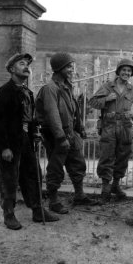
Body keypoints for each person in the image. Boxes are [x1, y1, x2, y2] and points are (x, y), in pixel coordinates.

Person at [0, 53, 59, 230]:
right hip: (8, 142)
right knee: (9, 179)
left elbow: (30, 119)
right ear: (12, 69)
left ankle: (37, 210)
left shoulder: (27, 92)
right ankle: (9, 215)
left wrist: (34, 133)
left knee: (33, 174)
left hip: (25, 140)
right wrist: (5, 147)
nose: (26, 66)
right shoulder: (5, 91)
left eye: (27, 64)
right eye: (21, 63)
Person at [35, 52, 98, 214]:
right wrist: (61, 137)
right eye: (68, 66)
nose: (72, 69)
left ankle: (79, 195)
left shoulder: (66, 86)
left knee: (78, 164)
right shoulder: (50, 89)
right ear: (59, 68)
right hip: (56, 135)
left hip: (70, 133)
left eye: (72, 66)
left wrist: (80, 128)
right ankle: (54, 201)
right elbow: (52, 114)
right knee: (55, 168)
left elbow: (73, 110)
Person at [89, 58, 133, 203]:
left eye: (129, 71)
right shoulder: (107, 86)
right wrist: (107, 99)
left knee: (122, 157)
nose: (126, 73)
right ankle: (105, 189)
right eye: (124, 70)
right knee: (106, 157)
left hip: (125, 127)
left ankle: (115, 185)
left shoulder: (132, 90)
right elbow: (92, 102)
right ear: (118, 71)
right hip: (109, 126)